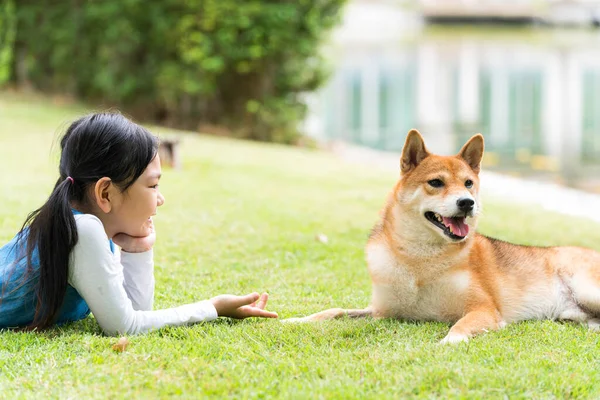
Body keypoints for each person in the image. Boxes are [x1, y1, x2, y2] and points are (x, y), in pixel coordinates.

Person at [0, 112, 277, 335]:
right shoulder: (84, 230)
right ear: (105, 193)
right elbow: (125, 326)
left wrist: (139, 249)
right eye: (153, 185)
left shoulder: (79, 225)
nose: (161, 199)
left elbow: (134, 309)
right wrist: (214, 307)